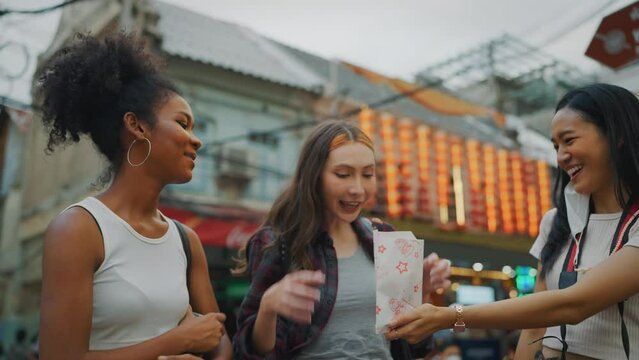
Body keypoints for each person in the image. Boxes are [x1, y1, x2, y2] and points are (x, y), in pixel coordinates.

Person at [385, 83, 639, 360]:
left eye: (569, 140)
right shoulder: (556, 222)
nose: (561, 157)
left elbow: (573, 305)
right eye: (555, 146)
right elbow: (534, 329)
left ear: (617, 136)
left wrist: (449, 316)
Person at [37, 32, 231, 359]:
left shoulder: (186, 241)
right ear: (137, 127)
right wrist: (177, 342)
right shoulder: (79, 230)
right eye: (183, 123)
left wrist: (208, 345)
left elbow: (218, 339)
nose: (196, 140)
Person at [232, 120, 452, 359]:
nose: (358, 188)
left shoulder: (386, 238)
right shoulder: (276, 244)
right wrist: (268, 307)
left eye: (368, 174)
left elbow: (416, 344)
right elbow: (247, 352)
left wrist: (421, 292)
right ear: (314, 176)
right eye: (343, 174)